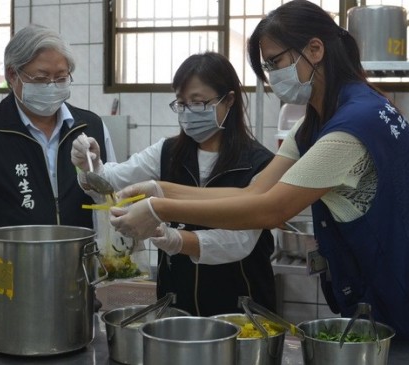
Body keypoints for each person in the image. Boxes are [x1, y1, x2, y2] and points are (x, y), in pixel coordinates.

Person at [109, 0, 409, 343]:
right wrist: (160, 190)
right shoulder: (320, 121)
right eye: (266, 67)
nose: (272, 76)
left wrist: (160, 210)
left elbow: (271, 210)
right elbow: (254, 192)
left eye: (275, 61)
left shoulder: (350, 128)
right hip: (405, 287)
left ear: (315, 49)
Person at [71, 52, 277, 316]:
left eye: (198, 103)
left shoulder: (259, 164)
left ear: (229, 100)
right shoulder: (168, 152)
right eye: (181, 103)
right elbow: (112, 180)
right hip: (177, 308)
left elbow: (239, 242)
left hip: (241, 310)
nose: (188, 112)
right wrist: (90, 163)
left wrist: (174, 239)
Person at [0, 24, 116, 304]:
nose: (52, 86)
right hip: (5, 286)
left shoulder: (90, 128)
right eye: (41, 78)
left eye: (61, 78)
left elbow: (111, 193)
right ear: (11, 75)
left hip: (74, 280)